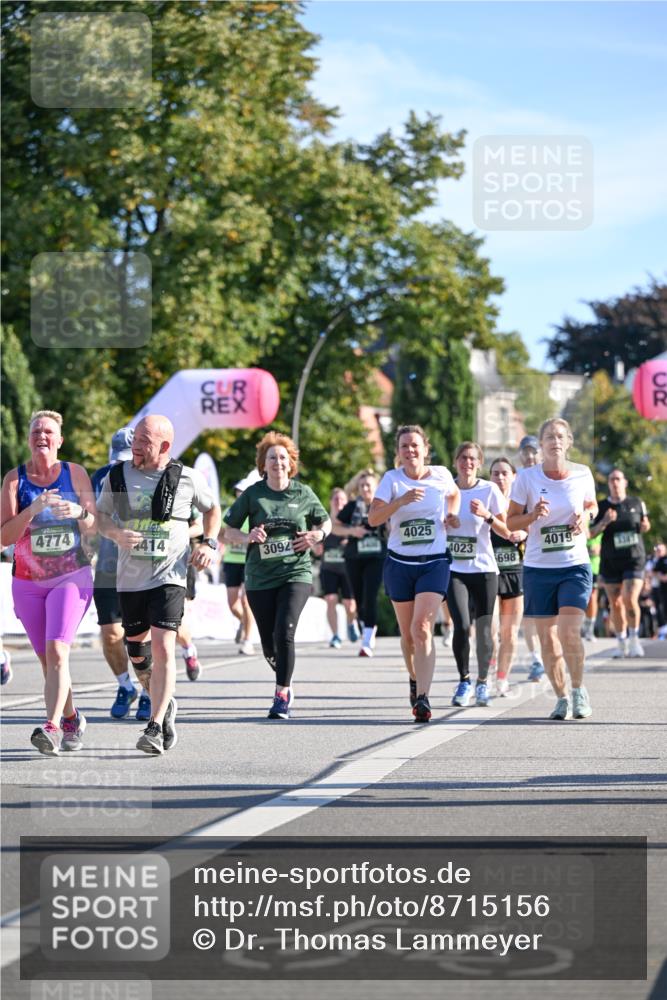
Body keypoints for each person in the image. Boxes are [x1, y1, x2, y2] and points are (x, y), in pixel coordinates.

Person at [97, 414, 220, 754]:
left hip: (170, 575)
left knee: (164, 646)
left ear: (165, 447)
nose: (135, 447)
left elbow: (212, 511)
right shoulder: (118, 476)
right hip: (130, 578)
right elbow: (102, 516)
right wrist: (115, 532)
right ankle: (163, 704)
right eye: (134, 439)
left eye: (144, 442)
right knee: (136, 650)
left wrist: (209, 543)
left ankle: (154, 725)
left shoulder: (186, 479)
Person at [0, 410, 96, 754]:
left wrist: (79, 513)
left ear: (59, 440)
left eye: (48, 432)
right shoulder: (14, 479)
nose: (41, 436)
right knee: (48, 662)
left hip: (70, 576)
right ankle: (71, 717)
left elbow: (94, 525)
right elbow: (3, 537)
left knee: (57, 651)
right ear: (29, 439)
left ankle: (52, 727)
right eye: (36, 431)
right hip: (27, 582)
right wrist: (33, 509)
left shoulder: (75, 474)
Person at [223, 432, 330, 720]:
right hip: (260, 578)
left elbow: (325, 522)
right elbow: (226, 531)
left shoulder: (303, 493)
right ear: (263, 463)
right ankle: (283, 669)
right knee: (269, 644)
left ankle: (281, 693)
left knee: (285, 632)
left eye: (283, 457)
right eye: (272, 457)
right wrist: (248, 536)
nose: (278, 462)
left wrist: (316, 535)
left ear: (291, 462)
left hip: (296, 573)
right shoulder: (253, 494)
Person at [368, 425, 460, 723]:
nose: (410, 451)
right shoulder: (391, 480)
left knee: (422, 629)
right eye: (404, 446)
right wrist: (400, 502)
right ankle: (414, 677)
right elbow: (373, 518)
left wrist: (450, 514)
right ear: (398, 452)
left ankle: (423, 697)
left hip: (434, 562)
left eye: (415, 445)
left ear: (425, 449)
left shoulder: (441, 475)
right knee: (408, 636)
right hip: (400, 563)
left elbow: (454, 494)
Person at [507, 417, 598, 721]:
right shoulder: (526, 479)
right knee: (547, 639)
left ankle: (578, 690)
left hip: (574, 565)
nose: (555, 441)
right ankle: (560, 697)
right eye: (549, 436)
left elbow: (591, 506)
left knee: (569, 632)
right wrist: (532, 515)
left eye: (560, 436)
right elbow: (510, 521)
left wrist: (582, 519)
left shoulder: (583, 474)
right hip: (538, 567)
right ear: (541, 443)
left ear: (569, 442)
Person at [91, 427, 151, 722]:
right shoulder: (100, 476)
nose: (123, 466)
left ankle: (149, 692)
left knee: (141, 638)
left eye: (127, 459)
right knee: (112, 634)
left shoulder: (153, 477)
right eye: (117, 460)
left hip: (142, 567)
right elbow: (90, 518)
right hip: (107, 568)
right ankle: (125, 687)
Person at [446, 443, 509, 708]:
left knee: (485, 630)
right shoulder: (446, 489)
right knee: (461, 625)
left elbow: (507, 530)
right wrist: (447, 521)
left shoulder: (490, 490)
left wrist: (487, 516)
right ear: (455, 461)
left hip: (484, 568)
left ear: (479, 463)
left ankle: (483, 682)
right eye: (462, 458)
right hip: (454, 569)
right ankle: (464, 681)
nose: (467, 462)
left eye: (473, 459)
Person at [590, 469, 650, 658]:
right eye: (611, 479)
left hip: (634, 559)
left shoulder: (637, 502)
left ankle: (634, 640)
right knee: (615, 603)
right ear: (608, 484)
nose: (615, 482)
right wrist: (605, 522)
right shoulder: (601, 507)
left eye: (618, 479)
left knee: (630, 598)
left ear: (625, 482)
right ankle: (621, 642)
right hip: (610, 561)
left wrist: (645, 526)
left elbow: (645, 523)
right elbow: (591, 533)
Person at [335, 470, 387, 657]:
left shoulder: (383, 505)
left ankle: (366, 641)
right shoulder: (352, 506)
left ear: (376, 488)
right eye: (362, 486)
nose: (365, 489)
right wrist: (352, 531)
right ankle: (365, 625)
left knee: (370, 595)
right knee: (358, 597)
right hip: (354, 557)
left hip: (376, 557)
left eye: (369, 486)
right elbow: (334, 526)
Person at [489, 457, 528, 696]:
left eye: (505, 473)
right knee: (490, 630)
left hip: (516, 571)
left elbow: (536, 525)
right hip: (489, 572)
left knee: (510, 633)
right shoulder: (484, 500)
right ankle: (491, 666)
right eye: (495, 473)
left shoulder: (522, 504)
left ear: (514, 476)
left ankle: (502, 678)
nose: (500, 477)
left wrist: (523, 531)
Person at [516, 434, 545, 680]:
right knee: (529, 611)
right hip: (521, 553)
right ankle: (536, 659)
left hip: (547, 551)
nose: (529, 456)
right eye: (525, 452)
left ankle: (551, 653)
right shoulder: (518, 480)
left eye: (533, 451)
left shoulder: (549, 478)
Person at [221, 474, 258, 656]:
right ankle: (245, 622)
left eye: (243, 491)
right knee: (232, 603)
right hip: (231, 561)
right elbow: (219, 533)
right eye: (238, 490)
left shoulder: (255, 512)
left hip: (249, 561)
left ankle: (247, 640)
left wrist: (246, 540)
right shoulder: (228, 511)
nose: (239, 493)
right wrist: (227, 540)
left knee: (246, 600)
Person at [319, 487, 358, 649]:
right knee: (331, 600)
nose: (338, 502)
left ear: (346, 502)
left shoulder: (351, 523)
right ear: (330, 503)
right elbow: (315, 546)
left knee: (350, 604)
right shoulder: (323, 522)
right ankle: (335, 635)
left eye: (342, 499)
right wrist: (316, 547)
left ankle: (351, 622)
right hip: (328, 568)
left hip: (348, 569)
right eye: (335, 500)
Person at [175, 505, 206, 679]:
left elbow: (199, 526)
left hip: (180, 563)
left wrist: (176, 534)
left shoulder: (181, 488)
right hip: (145, 565)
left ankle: (189, 651)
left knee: (177, 624)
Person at [582, 535, 601, 641]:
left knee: (592, 597)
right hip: (576, 564)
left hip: (594, 567)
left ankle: (590, 628)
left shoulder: (601, 519)